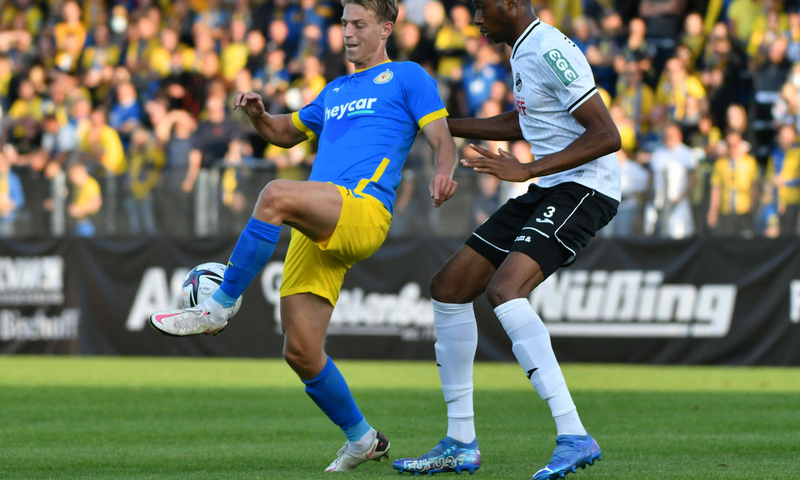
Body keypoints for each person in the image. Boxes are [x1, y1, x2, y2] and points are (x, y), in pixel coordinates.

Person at [149, 0, 458, 472]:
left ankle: (218, 306)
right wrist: (259, 115)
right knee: (300, 351)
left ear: (386, 28)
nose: (348, 32)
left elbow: (441, 136)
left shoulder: (407, 76)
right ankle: (363, 439)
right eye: (344, 23)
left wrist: (443, 171)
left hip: (362, 209)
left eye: (359, 24)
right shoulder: (334, 91)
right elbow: (283, 133)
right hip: (319, 221)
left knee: (275, 194)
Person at [392, 1, 621, 478]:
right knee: (449, 288)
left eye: (482, 6)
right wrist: (437, 125)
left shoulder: (550, 48)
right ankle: (460, 443)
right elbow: (522, 123)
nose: (476, 18)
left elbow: (607, 134)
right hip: (550, 185)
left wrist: (528, 169)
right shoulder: (521, 50)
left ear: (513, 3)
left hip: (585, 187)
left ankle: (574, 435)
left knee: (505, 290)